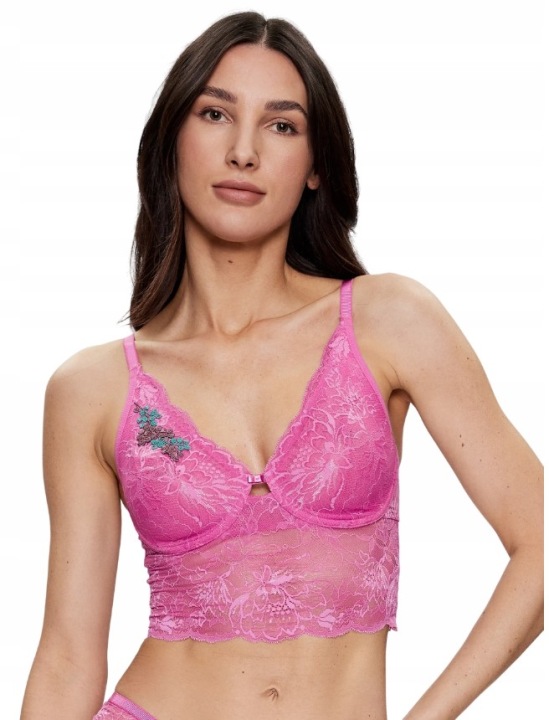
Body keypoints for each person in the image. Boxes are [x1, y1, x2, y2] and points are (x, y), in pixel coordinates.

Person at [21, 11, 543, 720]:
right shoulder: (94, 389)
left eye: (281, 125)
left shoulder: (388, 321)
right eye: (215, 114)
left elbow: (539, 542)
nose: (243, 151)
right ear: (171, 141)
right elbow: (66, 657)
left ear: (317, 164)